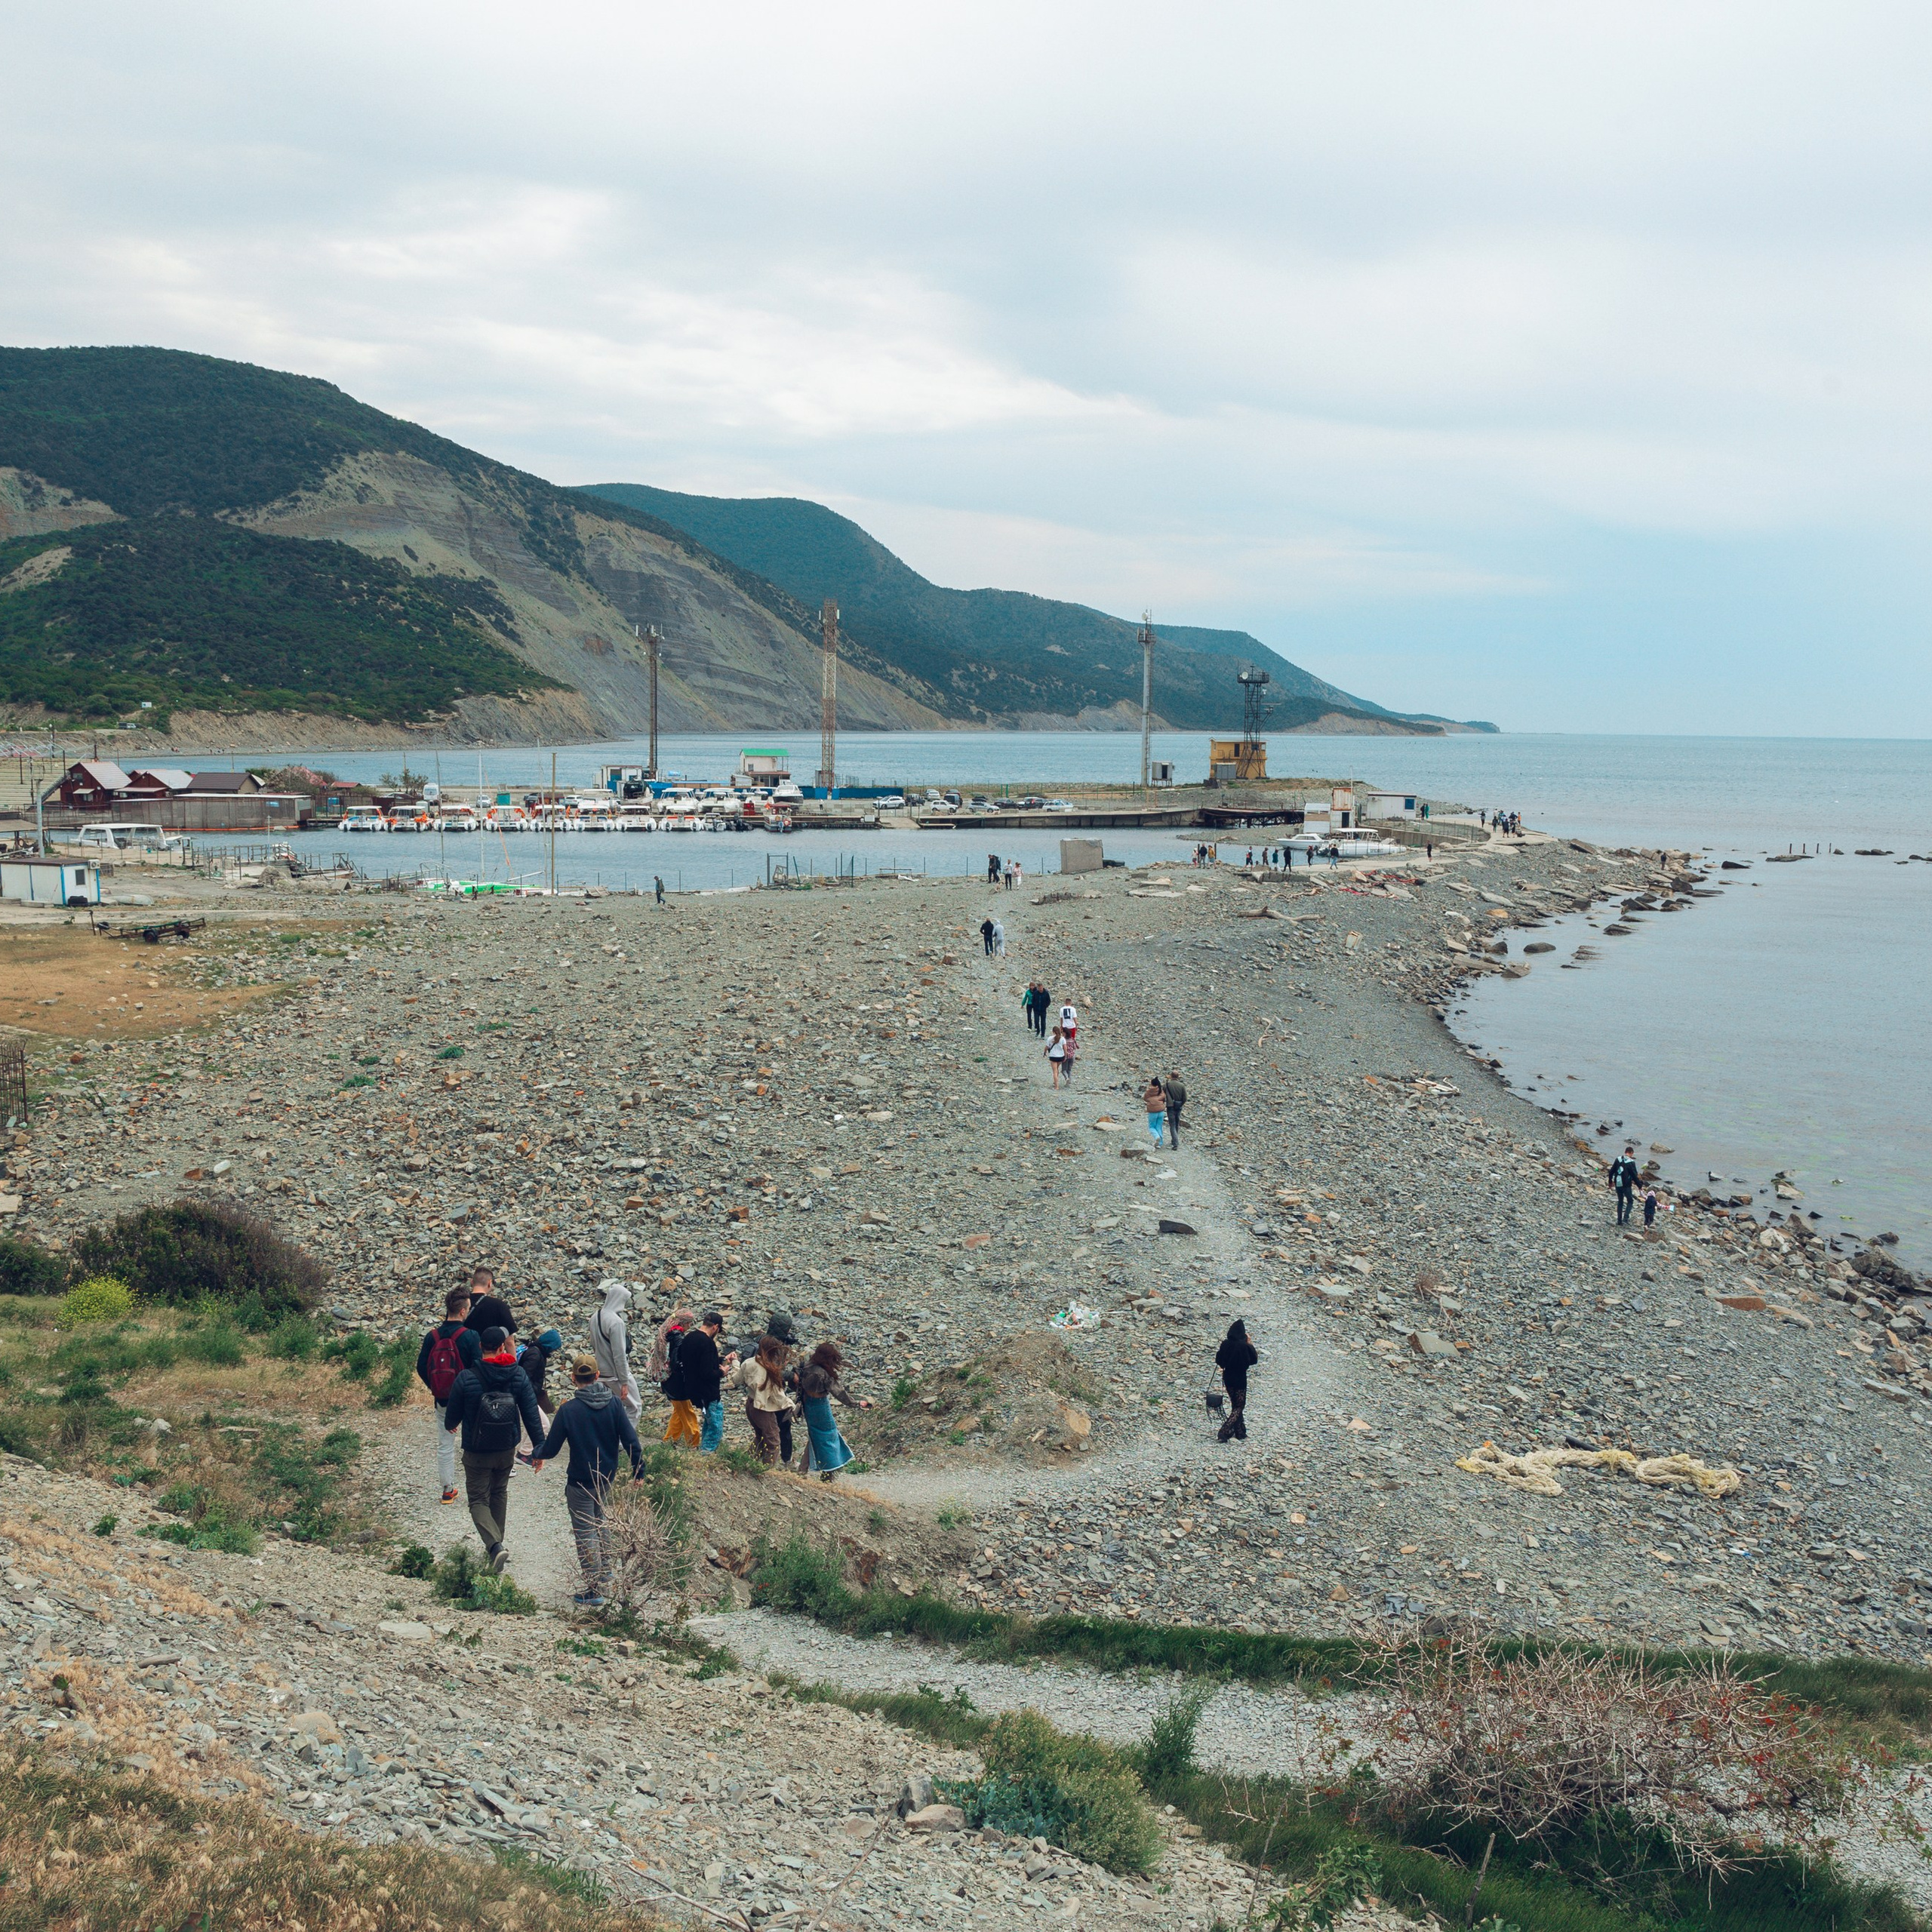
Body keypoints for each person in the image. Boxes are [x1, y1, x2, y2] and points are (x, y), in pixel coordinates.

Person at [531, 1353, 645, 1607]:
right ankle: (606, 1572)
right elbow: (630, 1440)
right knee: (600, 1521)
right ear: (597, 1377)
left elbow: (550, 1449)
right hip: (606, 1476)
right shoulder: (615, 1404)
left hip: (580, 1480)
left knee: (585, 1530)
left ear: (573, 1379)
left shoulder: (569, 1410)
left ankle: (594, 1588)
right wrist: (639, 1469)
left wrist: (535, 1453)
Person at [443, 1326, 546, 1573]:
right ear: (502, 1347)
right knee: (499, 1493)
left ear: (480, 1348)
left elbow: (451, 1418)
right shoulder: (518, 1375)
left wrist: (451, 1425)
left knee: (478, 1499)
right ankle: (496, 1547)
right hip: (505, 1449)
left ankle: (495, 1547)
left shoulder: (467, 1377)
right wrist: (539, 1450)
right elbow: (532, 1415)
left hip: (477, 1451)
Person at [416, 1286, 472, 1504]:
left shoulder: (433, 1337)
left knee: (445, 1444)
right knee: (471, 1442)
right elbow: (477, 1367)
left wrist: (435, 1386)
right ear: (462, 1312)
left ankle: (448, 1490)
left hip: (443, 1400)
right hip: (467, 1399)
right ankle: (476, 1488)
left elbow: (421, 1366)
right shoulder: (469, 1336)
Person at [798, 1341, 871, 1479]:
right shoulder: (824, 1373)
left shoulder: (806, 1367)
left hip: (808, 1405)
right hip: (820, 1406)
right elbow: (840, 1393)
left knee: (815, 1436)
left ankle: (803, 1469)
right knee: (828, 1435)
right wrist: (855, 1403)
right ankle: (829, 1471)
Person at [731, 1331, 795, 1466]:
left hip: (750, 1405)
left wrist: (735, 1362)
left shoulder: (749, 1363)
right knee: (774, 1442)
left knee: (760, 1437)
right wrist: (792, 1406)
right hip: (763, 1409)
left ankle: (747, 1462)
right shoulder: (768, 1370)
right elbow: (778, 1396)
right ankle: (766, 1470)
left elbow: (736, 1380)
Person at [678, 1311, 734, 1452]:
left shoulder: (689, 1337)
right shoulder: (707, 1343)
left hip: (692, 1388)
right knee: (715, 1425)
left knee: (708, 1421)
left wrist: (721, 1360)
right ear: (715, 1327)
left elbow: (698, 1362)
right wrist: (723, 1371)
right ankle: (706, 1453)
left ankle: (704, 1449)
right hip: (708, 1392)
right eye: (719, 1330)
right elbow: (707, 1372)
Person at [589, 1279, 641, 1420]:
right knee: (634, 1407)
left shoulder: (595, 1316)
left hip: (600, 1373)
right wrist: (624, 1381)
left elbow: (594, 1344)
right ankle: (625, 1441)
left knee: (608, 1408)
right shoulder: (616, 1322)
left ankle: (607, 1439)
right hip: (615, 1374)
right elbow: (619, 1355)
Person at [654, 1306, 701, 1446]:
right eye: (689, 1324)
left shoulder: (666, 1334)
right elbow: (677, 1363)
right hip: (678, 1384)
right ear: (683, 1323)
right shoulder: (678, 1338)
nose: (690, 1327)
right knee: (688, 1413)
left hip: (668, 1381)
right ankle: (693, 1443)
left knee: (679, 1412)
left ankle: (669, 1441)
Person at [1215, 1318, 1258, 1443]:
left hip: (1228, 1377)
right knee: (1240, 1406)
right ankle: (1225, 1430)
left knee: (1235, 1404)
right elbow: (1253, 1360)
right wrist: (1250, 1344)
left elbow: (1219, 1360)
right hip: (1240, 1377)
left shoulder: (1225, 1344)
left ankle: (1240, 1432)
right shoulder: (1244, 1346)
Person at [461, 1268, 518, 1342]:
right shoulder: (499, 1305)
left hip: (460, 1352)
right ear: (490, 1283)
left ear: (472, 1282)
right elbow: (509, 1340)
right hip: (489, 1352)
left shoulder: (459, 1302)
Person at [1608, 1146, 1640, 1226]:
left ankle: (1619, 1221)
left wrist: (1610, 1181)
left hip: (1618, 1184)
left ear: (1625, 1152)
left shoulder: (1618, 1159)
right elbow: (1634, 1175)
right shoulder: (1631, 1162)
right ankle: (1625, 1219)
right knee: (1630, 1201)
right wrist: (1639, 1185)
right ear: (1632, 1153)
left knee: (1620, 1201)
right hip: (1626, 1185)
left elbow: (1611, 1171)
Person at [1161, 1070, 1186, 1149]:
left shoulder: (1167, 1084)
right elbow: (1185, 1098)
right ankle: (1174, 1140)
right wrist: (1180, 1104)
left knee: (1172, 1124)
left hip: (1170, 1106)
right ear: (1178, 1077)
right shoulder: (1182, 1085)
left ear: (1171, 1076)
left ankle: (1175, 1143)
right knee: (1176, 1123)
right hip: (1178, 1107)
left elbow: (1162, 1094)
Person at [1143, 1075, 1168, 1149]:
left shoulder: (1149, 1091)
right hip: (1161, 1110)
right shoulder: (1160, 1090)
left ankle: (1157, 1137)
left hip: (1153, 1111)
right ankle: (1160, 1144)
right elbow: (1164, 1097)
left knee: (1151, 1127)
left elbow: (1145, 1098)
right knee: (1159, 1126)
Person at [1046, 1023, 1067, 1088]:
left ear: (1053, 1032)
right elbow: (1065, 1048)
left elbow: (1047, 1047)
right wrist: (1065, 1055)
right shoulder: (1063, 1039)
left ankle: (1056, 1086)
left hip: (1053, 1056)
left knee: (1055, 1071)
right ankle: (1055, 1082)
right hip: (1061, 1056)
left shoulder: (1050, 1038)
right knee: (1057, 1069)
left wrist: (1044, 1052)